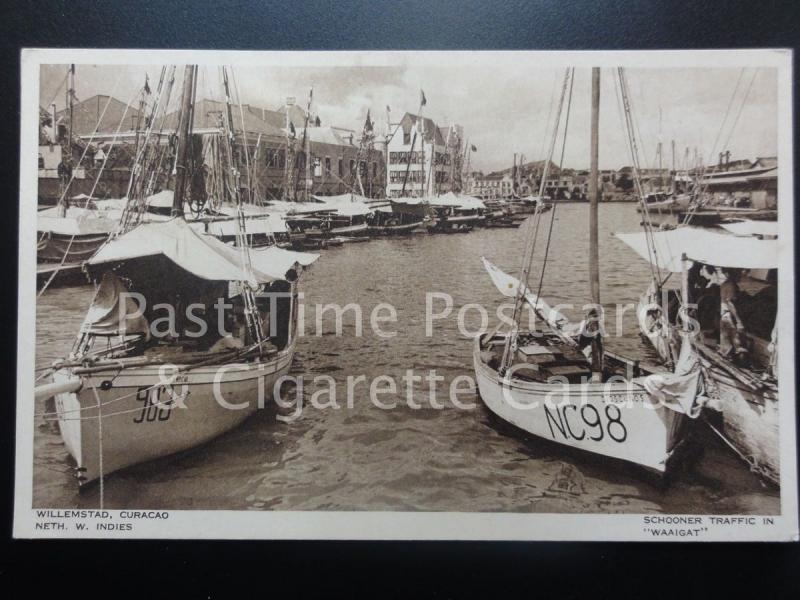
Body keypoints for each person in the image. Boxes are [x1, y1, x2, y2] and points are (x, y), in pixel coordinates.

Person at [719, 268, 749, 365]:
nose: (740, 276)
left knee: (727, 345)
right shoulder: (732, 286)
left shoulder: (724, 284)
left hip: (723, 315)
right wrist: (738, 320)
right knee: (737, 343)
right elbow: (730, 303)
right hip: (729, 317)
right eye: (738, 274)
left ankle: (725, 361)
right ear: (733, 274)